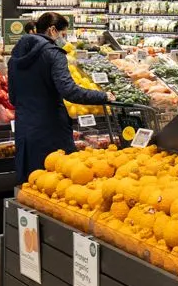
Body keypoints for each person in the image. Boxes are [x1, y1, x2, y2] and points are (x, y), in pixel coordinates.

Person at [7, 11, 111, 183]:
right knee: (55, 185)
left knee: (30, 183)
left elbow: (13, 97)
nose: (65, 39)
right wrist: (103, 96)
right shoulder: (54, 54)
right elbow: (69, 91)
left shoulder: (15, 57)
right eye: (64, 34)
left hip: (25, 128)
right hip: (51, 130)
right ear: (53, 30)